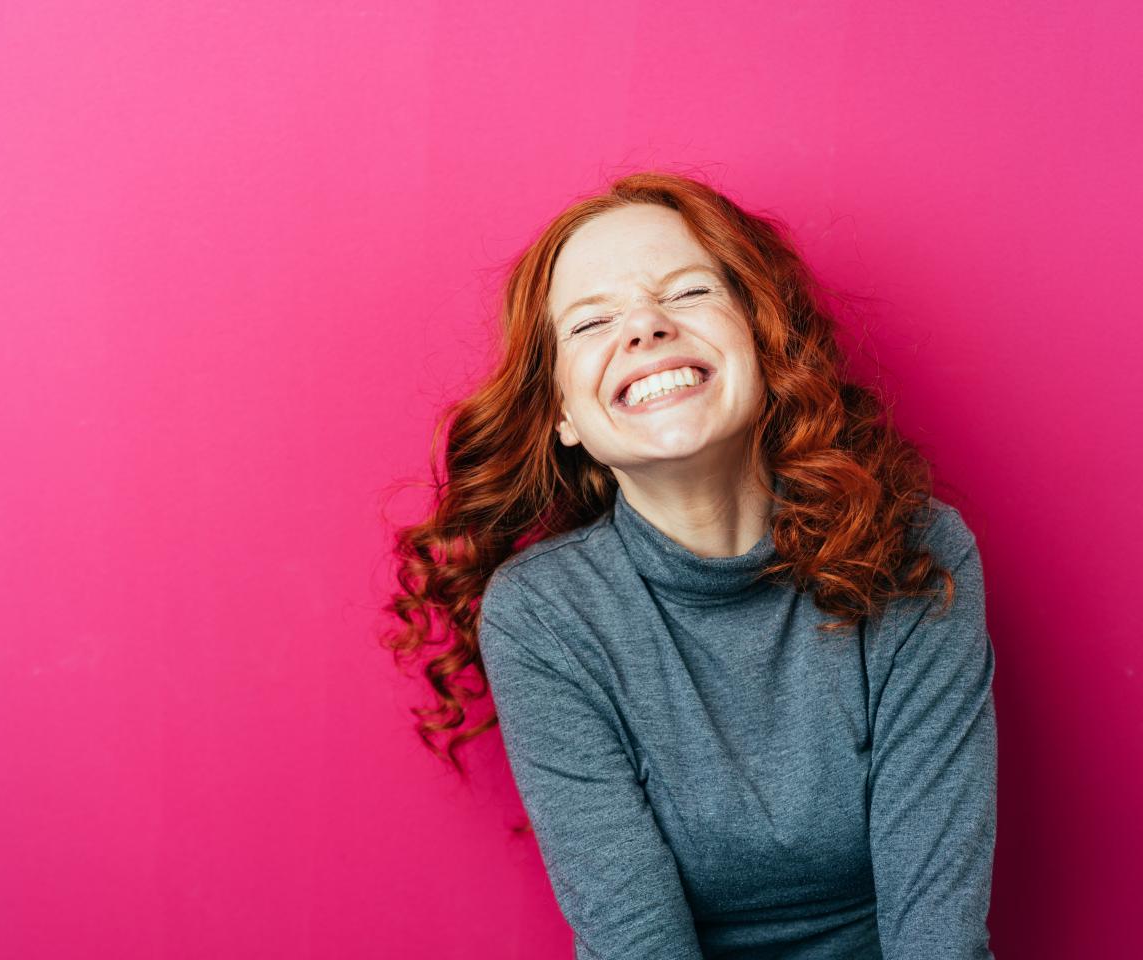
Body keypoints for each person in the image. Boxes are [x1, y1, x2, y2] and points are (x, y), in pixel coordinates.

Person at [381, 171, 998, 958]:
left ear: (763, 342)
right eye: (592, 321)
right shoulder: (544, 614)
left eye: (686, 292)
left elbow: (937, 930)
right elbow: (636, 940)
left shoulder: (916, 552)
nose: (643, 327)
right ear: (564, 416)